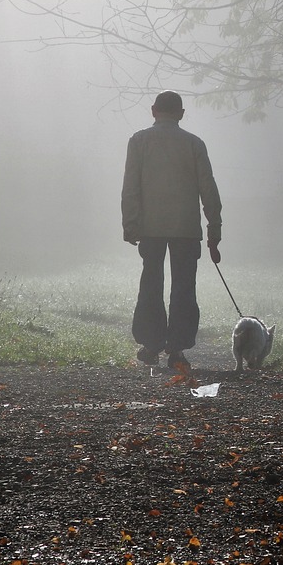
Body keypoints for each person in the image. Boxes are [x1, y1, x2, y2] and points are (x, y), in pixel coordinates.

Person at [122, 91, 222, 370]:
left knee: (151, 283)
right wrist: (214, 228)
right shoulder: (194, 144)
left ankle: (151, 344)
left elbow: (131, 186)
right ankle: (177, 347)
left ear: (153, 110)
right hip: (186, 228)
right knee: (184, 287)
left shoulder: (139, 141)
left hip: (150, 227)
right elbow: (208, 189)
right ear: (181, 113)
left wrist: (130, 223)